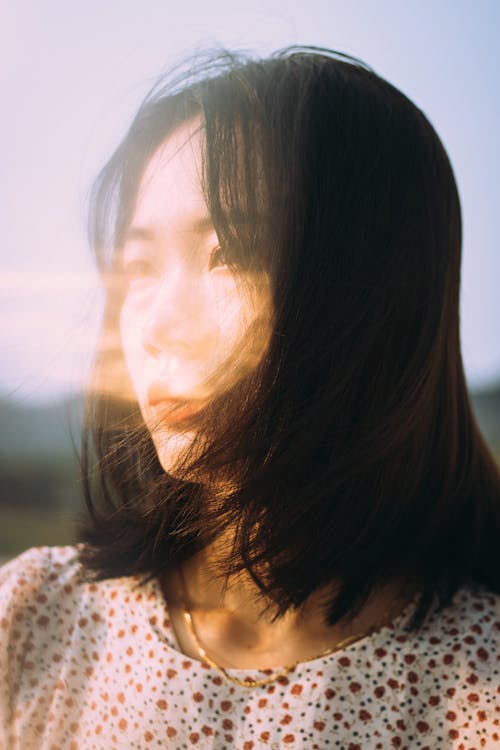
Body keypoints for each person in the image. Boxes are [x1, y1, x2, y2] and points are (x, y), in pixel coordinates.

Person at [1, 46, 499, 750]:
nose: (162, 326)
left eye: (228, 254)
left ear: (376, 293)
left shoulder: (478, 687)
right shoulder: (37, 621)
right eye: (140, 265)